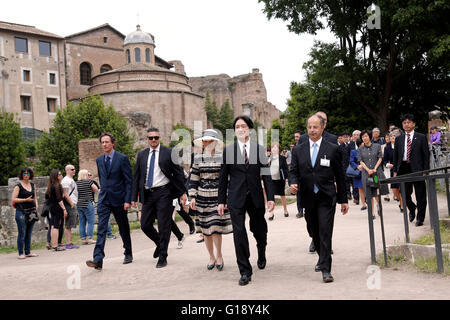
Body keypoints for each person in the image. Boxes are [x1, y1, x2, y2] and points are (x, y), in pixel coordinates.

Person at [289, 114, 349, 283]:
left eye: (315, 127)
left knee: (325, 231)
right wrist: (293, 183)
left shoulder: (332, 149)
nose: (312, 130)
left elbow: (340, 176)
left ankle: (326, 268)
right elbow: (293, 171)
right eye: (309, 127)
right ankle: (321, 255)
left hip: (326, 196)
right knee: (313, 230)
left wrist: (343, 200)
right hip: (308, 197)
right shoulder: (298, 149)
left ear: (322, 128)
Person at [218, 115, 275, 286]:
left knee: (259, 230)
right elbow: (223, 178)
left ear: (249, 129)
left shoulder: (259, 149)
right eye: (237, 127)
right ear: (234, 131)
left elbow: (266, 175)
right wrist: (221, 200)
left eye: (243, 126)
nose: (240, 129)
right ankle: (244, 270)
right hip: (236, 197)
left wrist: (270, 197)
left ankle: (261, 250)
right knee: (239, 232)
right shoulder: (228, 151)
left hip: (256, 196)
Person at [131, 127, 187, 268]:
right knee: (145, 225)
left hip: (164, 193)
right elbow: (137, 177)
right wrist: (133, 197)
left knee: (164, 225)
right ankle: (159, 243)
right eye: (151, 138)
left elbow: (178, 173)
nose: (154, 140)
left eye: (156, 137)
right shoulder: (142, 155)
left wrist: (182, 192)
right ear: (147, 139)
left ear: (159, 138)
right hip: (148, 194)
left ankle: (163, 256)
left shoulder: (169, 152)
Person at [86, 132, 133, 270]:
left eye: (107, 142)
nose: (104, 144)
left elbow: (128, 181)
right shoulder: (99, 160)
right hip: (104, 199)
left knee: (123, 227)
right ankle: (98, 259)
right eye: (102, 142)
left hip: (119, 199)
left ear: (113, 143)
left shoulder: (122, 158)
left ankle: (128, 252)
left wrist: (127, 200)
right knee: (101, 229)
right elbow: (102, 178)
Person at [189, 129, 233, 271]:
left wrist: (225, 196)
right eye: (205, 141)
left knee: (215, 228)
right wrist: (192, 196)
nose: (206, 143)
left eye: (209, 141)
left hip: (217, 196)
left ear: (215, 142)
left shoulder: (222, 157)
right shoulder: (198, 158)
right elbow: (194, 179)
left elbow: (227, 179)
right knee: (205, 230)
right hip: (202, 197)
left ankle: (219, 255)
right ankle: (211, 257)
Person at [393, 114, 430, 226]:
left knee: (420, 194)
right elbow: (396, 156)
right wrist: (395, 170)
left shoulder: (421, 137)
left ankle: (420, 218)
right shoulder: (399, 139)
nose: (406, 124)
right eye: (404, 122)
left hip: (417, 168)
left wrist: (425, 170)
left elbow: (426, 155)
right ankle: (412, 208)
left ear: (413, 124)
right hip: (403, 168)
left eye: (409, 122)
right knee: (404, 193)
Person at [358, 130, 389, 219]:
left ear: (370, 137)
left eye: (366, 136)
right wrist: (368, 170)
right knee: (369, 193)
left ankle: (379, 205)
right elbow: (361, 161)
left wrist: (374, 168)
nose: (364, 138)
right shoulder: (360, 149)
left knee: (376, 191)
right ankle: (372, 213)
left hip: (376, 173)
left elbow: (380, 158)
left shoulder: (377, 146)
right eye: (363, 137)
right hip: (366, 174)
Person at [11, 167, 39, 259]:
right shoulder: (18, 186)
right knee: (22, 232)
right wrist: (25, 200)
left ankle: (28, 252)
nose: (26, 175)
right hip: (21, 212)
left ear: (30, 175)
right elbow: (14, 199)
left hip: (31, 211)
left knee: (29, 232)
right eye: (24, 174)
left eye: (28, 173)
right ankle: (20, 253)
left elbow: (35, 197)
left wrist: (36, 205)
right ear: (21, 175)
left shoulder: (32, 184)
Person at [46, 169, 68, 251]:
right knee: (56, 226)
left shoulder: (51, 185)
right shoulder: (57, 185)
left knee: (52, 226)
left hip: (52, 207)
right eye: (59, 174)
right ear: (56, 176)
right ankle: (55, 245)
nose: (61, 175)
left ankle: (53, 244)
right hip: (57, 207)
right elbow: (59, 199)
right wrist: (64, 209)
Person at [267, 142, 289, 219]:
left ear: (279, 149)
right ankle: (271, 213)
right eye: (273, 147)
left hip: (280, 179)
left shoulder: (282, 158)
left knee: (282, 195)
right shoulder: (269, 158)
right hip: (271, 180)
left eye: (276, 147)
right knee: (270, 196)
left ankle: (285, 210)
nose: (274, 149)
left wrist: (286, 178)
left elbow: (286, 169)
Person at [76, 170, 98, 245]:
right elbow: (96, 189)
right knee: (90, 221)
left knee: (82, 222)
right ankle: (90, 238)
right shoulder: (89, 182)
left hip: (79, 204)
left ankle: (83, 239)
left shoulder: (77, 183)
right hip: (87, 203)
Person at [383, 131, 403, 212]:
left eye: (395, 136)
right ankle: (399, 199)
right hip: (393, 170)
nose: (393, 137)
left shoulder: (401, 146)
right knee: (395, 190)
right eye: (391, 136)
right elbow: (385, 160)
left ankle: (402, 205)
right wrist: (388, 165)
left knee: (401, 188)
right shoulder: (387, 148)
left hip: (401, 169)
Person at [61, 164, 79, 249]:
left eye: (74, 169)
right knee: (68, 224)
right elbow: (65, 193)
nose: (74, 170)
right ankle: (67, 244)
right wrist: (71, 203)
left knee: (71, 224)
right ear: (67, 170)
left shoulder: (70, 179)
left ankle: (69, 242)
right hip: (69, 204)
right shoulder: (66, 180)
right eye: (72, 169)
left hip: (72, 202)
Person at [349, 139, 367, 210]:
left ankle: (369, 200)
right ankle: (363, 204)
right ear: (359, 145)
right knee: (360, 189)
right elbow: (351, 161)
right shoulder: (353, 152)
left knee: (369, 187)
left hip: (367, 171)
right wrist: (357, 166)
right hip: (358, 172)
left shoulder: (368, 150)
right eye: (362, 144)